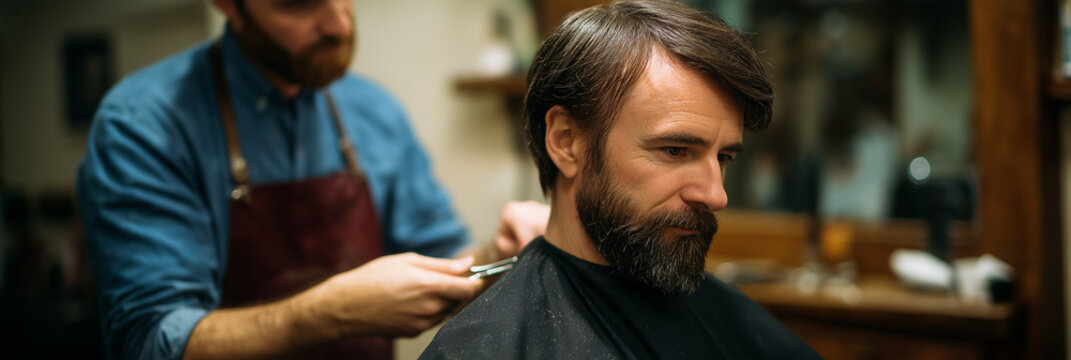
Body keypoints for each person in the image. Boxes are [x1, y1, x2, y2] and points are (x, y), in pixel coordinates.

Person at [75, 0, 549, 359]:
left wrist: (495, 256)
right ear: (225, 5)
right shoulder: (144, 126)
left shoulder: (374, 112)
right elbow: (152, 339)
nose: (339, 24)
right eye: (299, 3)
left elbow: (442, 255)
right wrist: (331, 311)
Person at [420, 1, 821, 358]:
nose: (716, 195)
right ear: (566, 142)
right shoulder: (484, 346)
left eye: (725, 157)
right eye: (675, 151)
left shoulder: (727, 316)